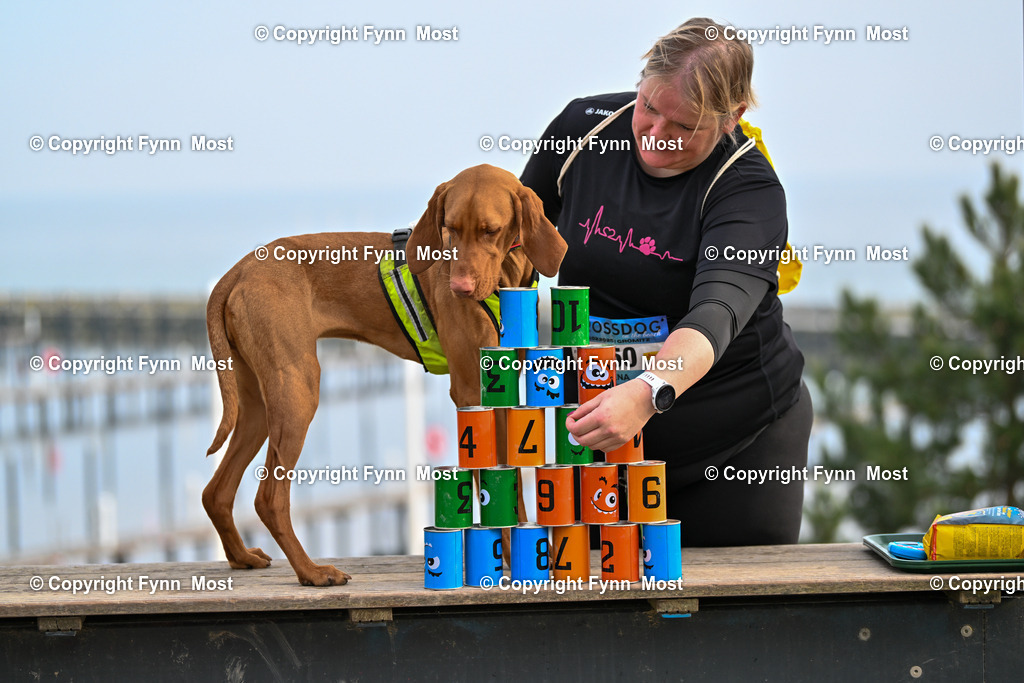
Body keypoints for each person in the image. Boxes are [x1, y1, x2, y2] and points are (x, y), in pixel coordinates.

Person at [521, 18, 813, 546]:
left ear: (733, 118)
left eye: (684, 127)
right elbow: (516, 234)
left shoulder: (748, 191)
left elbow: (714, 318)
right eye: (649, 108)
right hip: (605, 435)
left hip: (733, 445)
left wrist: (649, 390)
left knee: (732, 618)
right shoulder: (583, 128)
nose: (656, 135)